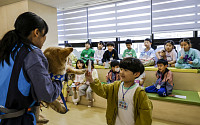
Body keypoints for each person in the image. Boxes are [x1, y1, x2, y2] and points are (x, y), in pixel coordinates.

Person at [0, 12, 62, 125]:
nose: (44, 40)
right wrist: (59, 80)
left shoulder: (7, 48)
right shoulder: (32, 53)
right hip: (17, 120)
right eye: (44, 35)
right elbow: (47, 94)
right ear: (36, 32)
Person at [85, 57, 152, 125]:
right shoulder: (115, 86)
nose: (121, 72)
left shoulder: (139, 93)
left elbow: (145, 116)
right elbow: (102, 90)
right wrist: (91, 80)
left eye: (125, 70)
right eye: (121, 69)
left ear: (136, 74)